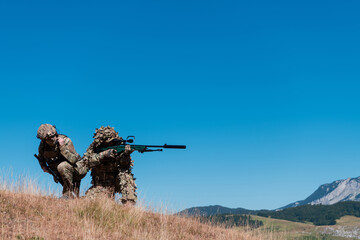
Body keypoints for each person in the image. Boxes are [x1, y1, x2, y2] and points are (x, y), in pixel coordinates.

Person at [82, 126, 137, 204]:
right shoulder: (94, 148)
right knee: (89, 201)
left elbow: (124, 166)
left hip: (117, 182)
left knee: (126, 174)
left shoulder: (120, 146)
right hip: (101, 184)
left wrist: (126, 155)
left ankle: (129, 203)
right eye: (107, 142)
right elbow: (86, 162)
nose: (110, 143)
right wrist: (103, 155)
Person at [36, 124, 87, 198]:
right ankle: (72, 198)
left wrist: (62, 147)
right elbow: (41, 158)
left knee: (62, 166)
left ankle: (67, 194)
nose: (51, 139)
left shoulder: (65, 141)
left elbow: (73, 160)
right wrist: (43, 167)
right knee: (75, 196)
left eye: (52, 136)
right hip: (61, 172)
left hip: (77, 170)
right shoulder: (43, 146)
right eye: (48, 138)